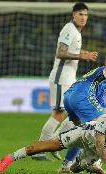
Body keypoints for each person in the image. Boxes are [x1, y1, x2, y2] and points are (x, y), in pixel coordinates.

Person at [0, 110, 106, 174]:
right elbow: (101, 147)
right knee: (48, 146)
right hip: (82, 134)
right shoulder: (104, 121)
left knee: (75, 169)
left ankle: (92, 167)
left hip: (94, 150)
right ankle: (8, 158)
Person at [32, 2, 98, 160]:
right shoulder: (69, 29)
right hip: (61, 78)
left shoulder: (76, 31)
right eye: (80, 14)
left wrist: (82, 52)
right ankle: (41, 147)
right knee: (59, 114)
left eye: (86, 14)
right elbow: (60, 53)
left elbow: (70, 50)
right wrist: (81, 56)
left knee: (72, 115)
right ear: (73, 14)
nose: (83, 17)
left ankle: (53, 143)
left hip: (68, 78)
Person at [59, 55, 106, 172]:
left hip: (69, 98)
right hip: (82, 97)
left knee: (81, 133)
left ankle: (66, 165)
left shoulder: (99, 82)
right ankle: (94, 163)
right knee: (104, 128)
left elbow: (101, 107)